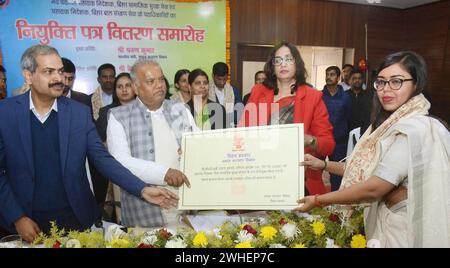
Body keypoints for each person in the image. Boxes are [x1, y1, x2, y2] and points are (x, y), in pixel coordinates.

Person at [0, 45, 178, 243]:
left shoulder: (78, 113)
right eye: (48, 72)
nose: (58, 78)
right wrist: (17, 217)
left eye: (60, 71)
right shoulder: (5, 113)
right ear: (28, 75)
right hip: (26, 223)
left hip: (76, 221)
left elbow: (103, 160)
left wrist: (142, 189)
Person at [296, 51, 450, 247]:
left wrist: (318, 200)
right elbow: (364, 169)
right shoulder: (388, 124)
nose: (386, 89)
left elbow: (374, 187)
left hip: (402, 232)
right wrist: (324, 165)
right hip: (387, 225)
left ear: (416, 83)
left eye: (396, 81)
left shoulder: (413, 129)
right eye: (382, 82)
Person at [107, 60, 196, 228]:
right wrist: (165, 173)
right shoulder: (119, 116)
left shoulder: (181, 109)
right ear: (135, 87)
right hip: (144, 211)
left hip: (185, 207)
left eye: (161, 79)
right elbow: (120, 162)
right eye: (151, 81)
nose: (159, 85)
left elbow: (198, 142)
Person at [239, 42, 335, 195]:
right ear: (272, 66)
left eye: (288, 59)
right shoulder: (258, 92)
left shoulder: (312, 97)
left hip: (298, 179)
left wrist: (309, 140)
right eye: (277, 60)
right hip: (262, 174)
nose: (283, 64)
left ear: (297, 63)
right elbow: (242, 132)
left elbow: (328, 145)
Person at [322, 66, 352, 191]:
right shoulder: (319, 96)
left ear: (338, 77)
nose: (329, 77)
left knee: (337, 174)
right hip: (321, 140)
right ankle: (315, 201)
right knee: (315, 171)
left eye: (332, 74)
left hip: (339, 141)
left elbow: (350, 117)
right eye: (327, 74)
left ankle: (335, 203)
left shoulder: (346, 97)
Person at [96, 73, 136, 143]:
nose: (124, 89)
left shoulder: (144, 109)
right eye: (120, 86)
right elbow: (99, 140)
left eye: (128, 85)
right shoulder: (106, 112)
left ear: (135, 87)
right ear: (115, 90)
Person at [208, 62, 243, 127]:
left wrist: (220, 118)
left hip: (229, 129)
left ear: (227, 76)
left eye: (224, 79)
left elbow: (239, 114)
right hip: (211, 130)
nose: (222, 82)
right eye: (219, 79)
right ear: (213, 76)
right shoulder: (206, 90)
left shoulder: (234, 91)